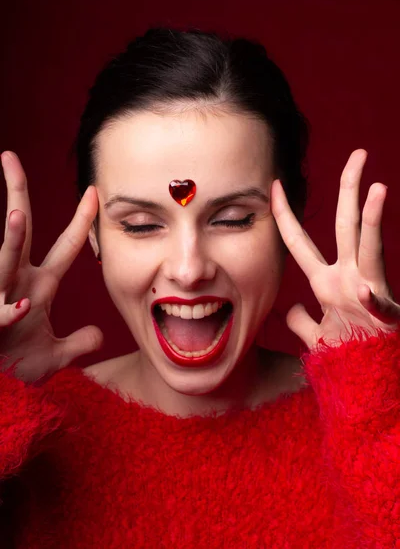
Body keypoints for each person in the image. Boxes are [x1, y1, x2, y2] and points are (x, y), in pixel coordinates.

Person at [0, 27, 399, 547]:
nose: (188, 270)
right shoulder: (34, 438)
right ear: (93, 236)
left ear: (289, 224)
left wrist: (374, 401)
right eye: (142, 224)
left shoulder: (376, 417)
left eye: (232, 219)